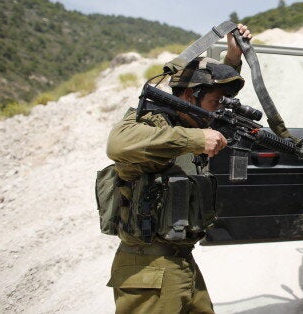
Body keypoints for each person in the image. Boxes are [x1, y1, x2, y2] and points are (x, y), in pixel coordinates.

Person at [105, 24, 252, 313]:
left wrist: (232, 58)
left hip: (181, 261)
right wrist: (196, 139)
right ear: (188, 97)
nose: (217, 112)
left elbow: (209, 93)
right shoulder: (151, 122)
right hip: (149, 267)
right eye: (213, 103)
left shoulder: (186, 123)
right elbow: (117, 145)